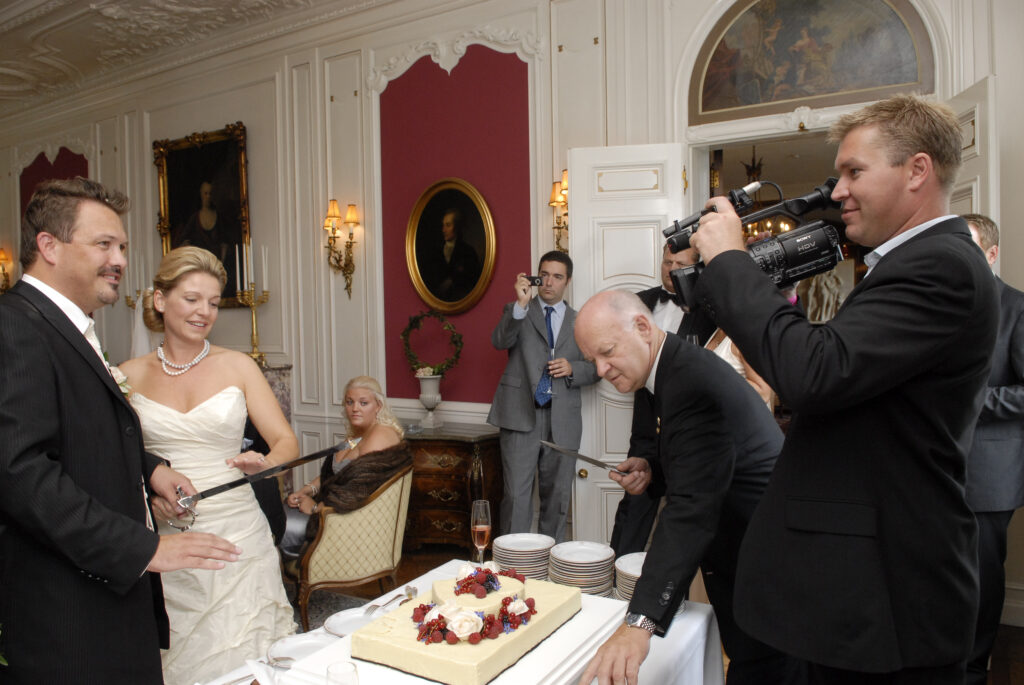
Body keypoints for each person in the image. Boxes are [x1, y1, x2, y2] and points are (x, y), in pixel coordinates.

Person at [689, 94, 999, 683]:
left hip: (890, 598)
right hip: (861, 593)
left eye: (855, 171)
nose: (838, 191)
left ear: (917, 170)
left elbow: (814, 371)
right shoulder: (910, 263)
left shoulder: (942, 265)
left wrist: (731, 260)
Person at [0, 177, 241, 684]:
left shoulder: (67, 326)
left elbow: (80, 433)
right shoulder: (14, 326)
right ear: (49, 246)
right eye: (104, 244)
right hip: (70, 615)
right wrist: (144, 548)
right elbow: (21, 473)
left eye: (123, 247)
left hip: (111, 600)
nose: (120, 261)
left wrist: (149, 470)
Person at [576, 290, 801, 685]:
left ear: (643, 327)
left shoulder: (689, 382)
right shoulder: (672, 370)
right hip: (750, 559)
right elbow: (704, 462)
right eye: (592, 359)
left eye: (607, 352)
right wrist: (652, 471)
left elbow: (691, 508)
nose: (601, 369)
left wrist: (640, 623)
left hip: (768, 570)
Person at [118, 246, 297, 685]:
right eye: (192, 299)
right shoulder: (127, 376)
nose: (205, 312)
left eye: (214, 303)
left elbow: (286, 442)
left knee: (249, 658)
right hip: (168, 539)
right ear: (160, 300)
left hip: (239, 535)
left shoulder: (238, 366)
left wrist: (265, 463)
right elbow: (120, 460)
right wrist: (150, 495)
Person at [486, 251, 598, 540]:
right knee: (516, 497)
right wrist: (521, 305)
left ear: (567, 281)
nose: (549, 282)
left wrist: (573, 368)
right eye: (544, 275)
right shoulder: (517, 310)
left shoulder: (581, 321)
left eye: (557, 277)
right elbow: (499, 341)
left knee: (557, 498)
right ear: (536, 277)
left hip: (563, 420)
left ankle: (551, 561)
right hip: (520, 415)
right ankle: (513, 561)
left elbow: (598, 368)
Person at [962, 213, 1024, 685]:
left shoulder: (1017, 309)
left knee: (982, 578)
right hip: (928, 468)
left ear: (992, 254)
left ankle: (974, 670)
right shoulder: (935, 305)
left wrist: (969, 399)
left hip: (989, 473)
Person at [281, 375, 412, 560]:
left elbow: (359, 491)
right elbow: (337, 474)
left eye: (363, 403)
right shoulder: (358, 435)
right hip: (332, 512)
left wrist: (315, 508)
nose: (355, 408)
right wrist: (306, 491)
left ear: (378, 406)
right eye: (350, 402)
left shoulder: (380, 435)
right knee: (275, 515)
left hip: (347, 524)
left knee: (277, 524)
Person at [635, 242, 716, 343]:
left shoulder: (708, 307)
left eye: (681, 264)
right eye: (668, 262)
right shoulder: (638, 301)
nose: (672, 269)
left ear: (694, 269)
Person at [429, 208, 481, 301]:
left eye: (448, 225)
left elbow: (472, 281)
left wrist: (452, 281)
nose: (443, 230)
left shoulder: (468, 251)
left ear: (457, 227)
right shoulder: (436, 251)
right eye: (443, 225)